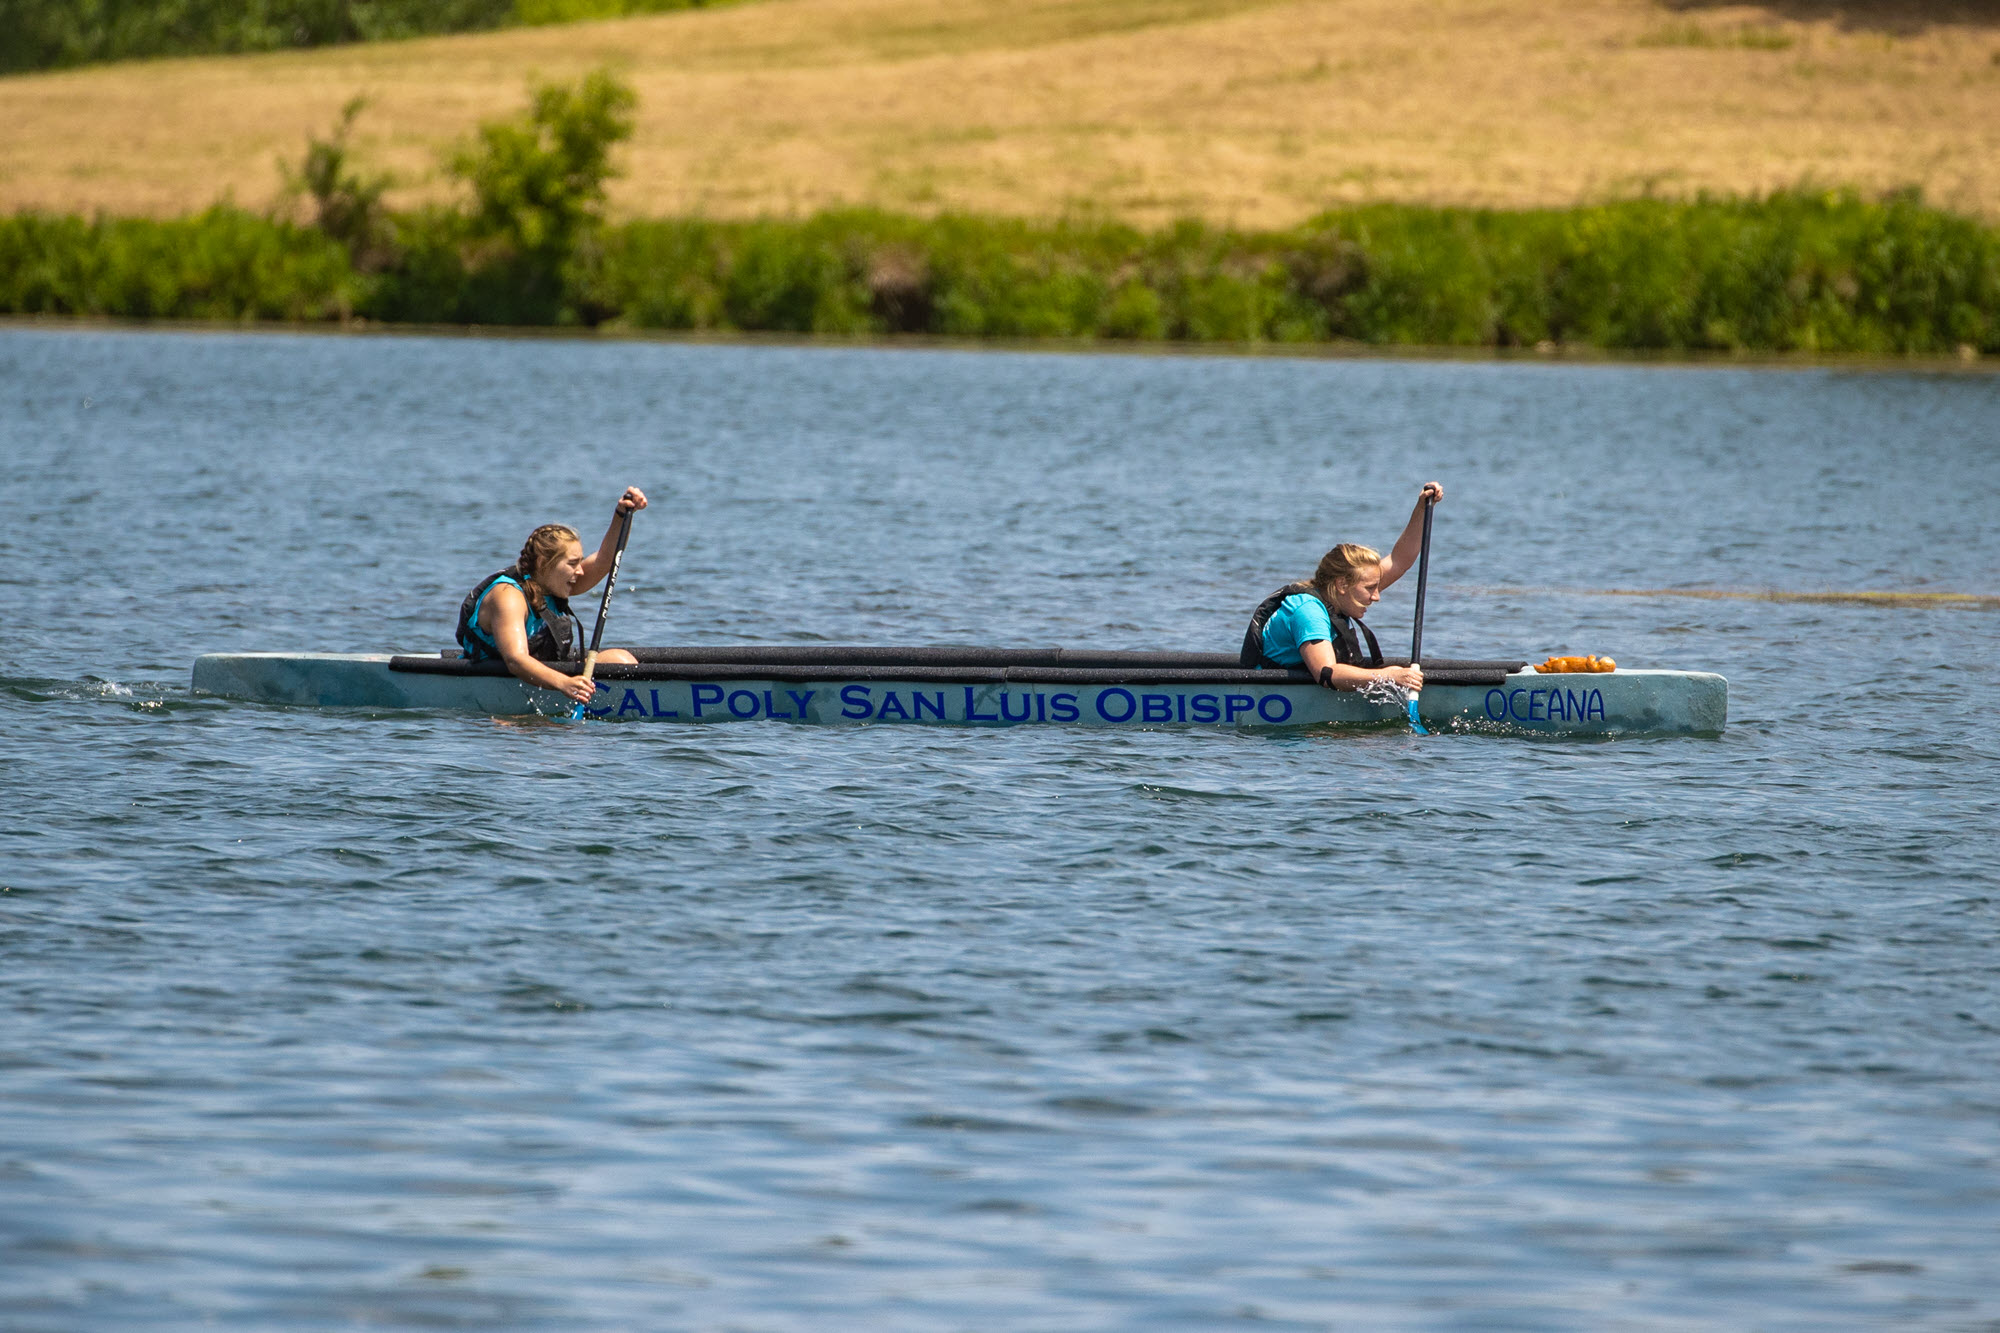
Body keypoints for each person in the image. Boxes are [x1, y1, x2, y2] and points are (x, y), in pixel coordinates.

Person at [1240, 482, 1443, 692]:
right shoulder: (1307, 611)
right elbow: (1326, 673)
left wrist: (1422, 509)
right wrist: (1389, 676)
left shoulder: (1343, 594)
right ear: (1342, 584)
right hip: (1266, 694)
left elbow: (1400, 560)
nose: (1377, 596)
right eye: (1370, 588)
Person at [456, 487, 649, 705]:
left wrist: (621, 515)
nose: (581, 571)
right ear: (543, 564)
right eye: (572, 563)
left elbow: (605, 559)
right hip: (498, 683)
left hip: (549, 680)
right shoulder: (507, 597)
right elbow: (516, 660)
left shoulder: (552, 586)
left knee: (620, 660)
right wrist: (564, 684)